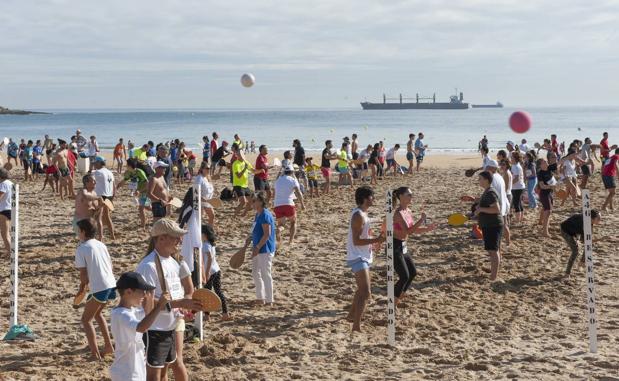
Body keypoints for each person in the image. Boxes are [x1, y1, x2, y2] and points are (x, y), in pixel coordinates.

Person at [136, 219, 202, 381]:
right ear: (161, 239)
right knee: (153, 376)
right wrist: (180, 304)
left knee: (164, 372)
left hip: (170, 327)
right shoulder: (148, 266)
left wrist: (184, 307)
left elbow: (181, 292)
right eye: (175, 237)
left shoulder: (173, 263)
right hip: (155, 330)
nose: (179, 241)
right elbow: (147, 305)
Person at [109, 272, 170, 381]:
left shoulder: (131, 311)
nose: (144, 295)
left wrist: (154, 304)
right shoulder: (121, 315)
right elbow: (142, 327)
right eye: (142, 292)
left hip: (134, 371)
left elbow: (148, 315)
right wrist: (159, 305)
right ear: (128, 292)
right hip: (126, 374)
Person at [74, 218, 116, 360]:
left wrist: (81, 290)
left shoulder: (81, 248)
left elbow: (84, 276)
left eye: (78, 231)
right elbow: (111, 266)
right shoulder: (101, 244)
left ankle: (94, 353)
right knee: (98, 315)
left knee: (86, 320)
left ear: (83, 232)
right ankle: (109, 346)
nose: (77, 233)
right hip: (111, 284)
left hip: (99, 287)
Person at [346, 186, 384, 332]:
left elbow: (364, 234)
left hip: (364, 255)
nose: (373, 198)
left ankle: (350, 316)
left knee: (361, 289)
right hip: (357, 256)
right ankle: (356, 326)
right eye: (372, 196)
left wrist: (374, 243)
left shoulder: (364, 214)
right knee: (366, 292)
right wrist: (376, 239)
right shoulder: (358, 216)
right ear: (365, 198)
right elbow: (356, 241)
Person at [391, 187, 437, 305]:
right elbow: (408, 231)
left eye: (411, 195)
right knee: (404, 276)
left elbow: (413, 230)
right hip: (394, 246)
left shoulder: (408, 211)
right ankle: (393, 302)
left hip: (403, 245)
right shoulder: (398, 213)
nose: (411, 197)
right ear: (400, 196)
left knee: (413, 273)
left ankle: (400, 295)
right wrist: (421, 220)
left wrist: (427, 228)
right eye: (409, 195)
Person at [242, 192, 277, 306]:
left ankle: (269, 300)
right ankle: (260, 297)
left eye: (254, 201)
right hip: (257, 247)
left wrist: (257, 247)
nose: (252, 203)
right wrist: (250, 238)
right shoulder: (258, 214)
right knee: (255, 272)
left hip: (265, 248)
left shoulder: (265, 215)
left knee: (265, 273)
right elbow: (256, 230)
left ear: (261, 202)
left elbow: (267, 234)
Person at [475, 172, 504, 281]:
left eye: (480, 179)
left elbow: (496, 209)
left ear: (487, 180)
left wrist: (481, 209)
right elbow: (487, 204)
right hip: (489, 225)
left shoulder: (490, 192)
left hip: (493, 225)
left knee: (493, 251)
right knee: (493, 250)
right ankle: (494, 271)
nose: (479, 181)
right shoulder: (487, 191)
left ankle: (493, 276)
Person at [201, 224, 230, 320]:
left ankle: (207, 315)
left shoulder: (205, 245)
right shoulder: (210, 244)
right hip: (217, 269)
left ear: (204, 234)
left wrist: (206, 273)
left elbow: (209, 259)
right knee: (218, 291)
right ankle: (225, 313)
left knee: (207, 293)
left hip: (211, 271)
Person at [559, 210, 602, 276]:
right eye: (598, 218)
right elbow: (586, 241)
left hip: (575, 230)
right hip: (565, 230)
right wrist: (601, 239)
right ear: (592, 218)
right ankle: (567, 273)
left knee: (588, 245)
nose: (600, 220)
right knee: (575, 251)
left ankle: (582, 262)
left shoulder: (589, 222)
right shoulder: (585, 224)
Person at [273, 164, 305, 245]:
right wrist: (302, 204)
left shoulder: (278, 180)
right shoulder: (292, 180)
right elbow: (298, 192)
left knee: (281, 225)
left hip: (277, 204)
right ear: (292, 172)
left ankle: (279, 231)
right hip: (288, 204)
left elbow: (274, 192)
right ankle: (290, 241)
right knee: (293, 222)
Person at [117, 158, 150, 229]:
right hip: (140, 192)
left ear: (130, 165)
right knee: (147, 207)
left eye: (126, 165)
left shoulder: (140, 172)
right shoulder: (129, 173)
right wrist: (117, 187)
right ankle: (158, 212)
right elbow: (124, 181)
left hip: (146, 191)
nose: (126, 166)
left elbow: (148, 184)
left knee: (141, 208)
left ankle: (143, 225)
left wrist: (140, 191)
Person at [486, 160, 510, 245]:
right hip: (504, 202)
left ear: (493, 168)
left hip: (498, 204)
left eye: (487, 167)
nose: (485, 168)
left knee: (498, 226)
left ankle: (500, 243)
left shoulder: (493, 178)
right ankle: (508, 242)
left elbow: (492, 193)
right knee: (504, 224)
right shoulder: (499, 176)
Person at [92, 157, 116, 241]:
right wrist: (113, 197)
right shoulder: (110, 172)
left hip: (100, 196)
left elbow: (89, 181)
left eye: (95, 163)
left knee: (97, 217)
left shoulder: (97, 172)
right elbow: (114, 186)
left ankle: (100, 237)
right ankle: (112, 235)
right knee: (107, 216)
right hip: (109, 196)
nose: (94, 164)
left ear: (99, 163)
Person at [231, 147, 257, 216]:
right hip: (238, 185)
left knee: (251, 201)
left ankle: (244, 214)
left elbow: (253, 171)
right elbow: (239, 176)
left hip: (245, 185)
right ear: (237, 155)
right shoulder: (235, 164)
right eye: (239, 154)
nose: (241, 155)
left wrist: (262, 170)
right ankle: (234, 216)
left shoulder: (246, 162)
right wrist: (245, 168)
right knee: (243, 202)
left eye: (242, 154)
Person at [537, 158, 556, 237]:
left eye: (546, 161)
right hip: (544, 193)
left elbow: (560, 162)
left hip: (550, 192)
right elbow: (542, 186)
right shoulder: (540, 173)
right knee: (548, 211)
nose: (546, 162)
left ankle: (540, 221)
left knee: (545, 207)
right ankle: (545, 232)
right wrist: (552, 186)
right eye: (544, 162)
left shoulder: (549, 169)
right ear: (540, 165)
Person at [510, 151, 526, 223]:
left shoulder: (516, 166)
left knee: (516, 203)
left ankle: (517, 220)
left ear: (515, 158)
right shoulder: (515, 165)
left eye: (512, 157)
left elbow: (516, 178)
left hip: (517, 187)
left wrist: (509, 185)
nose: (510, 158)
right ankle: (521, 218)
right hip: (519, 187)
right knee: (519, 202)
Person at [0, 168, 13, 257]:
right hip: (10, 209)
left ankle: (10, 252)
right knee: (6, 232)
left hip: (4, 210)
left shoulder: (3, 184)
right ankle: (9, 251)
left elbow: (0, 196)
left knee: (5, 233)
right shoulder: (11, 183)